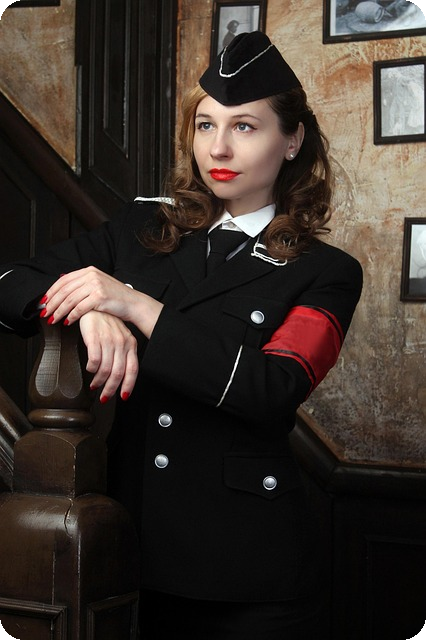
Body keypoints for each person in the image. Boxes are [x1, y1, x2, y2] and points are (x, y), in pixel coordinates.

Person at [0, 32, 363, 639]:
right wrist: (84, 310)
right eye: (205, 125)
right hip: (129, 548)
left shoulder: (324, 272)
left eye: (244, 127)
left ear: (292, 140)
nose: (217, 147)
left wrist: (135, 306)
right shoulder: (143, 227)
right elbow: (10, 280)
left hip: (248, 568)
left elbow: (270, 388)